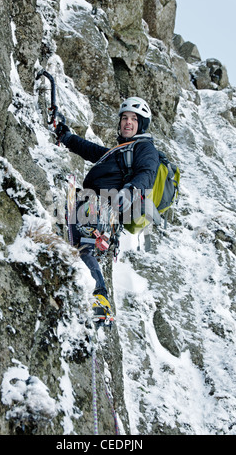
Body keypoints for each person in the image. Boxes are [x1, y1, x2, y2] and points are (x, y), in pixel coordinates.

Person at [55, 97, 160, 325]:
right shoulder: (120, 150)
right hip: (95, 203)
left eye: (134, 119)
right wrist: (67, 138)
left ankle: (100, 297)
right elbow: (93, 151)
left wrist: (130, 191)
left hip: (107, 206)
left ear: (141, 125)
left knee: (84, 243)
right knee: (82, 245)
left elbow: (147, 173)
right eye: (124, 118)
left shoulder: (145, 148)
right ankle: (95, 295)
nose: (128, 123)